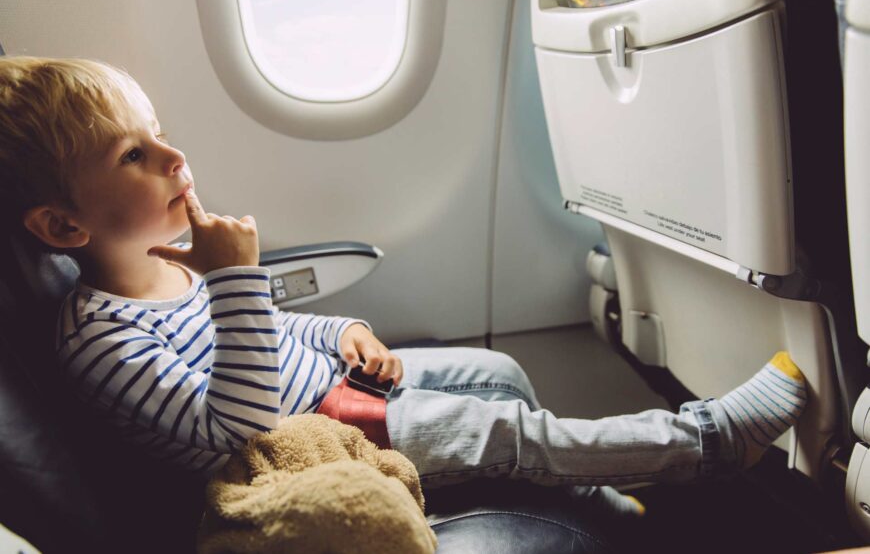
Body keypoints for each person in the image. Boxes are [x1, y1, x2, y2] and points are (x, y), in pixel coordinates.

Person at [0, 57, 807, 512]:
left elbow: (278, 336)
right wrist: (237, 281)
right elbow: (233, 429)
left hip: (333, 392)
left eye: (161, 135)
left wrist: (341, 331)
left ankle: (595, 488)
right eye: (131, 156)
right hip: (303, 448)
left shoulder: (171, 267)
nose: (174, 159)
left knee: (500, 395)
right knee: (511, 435)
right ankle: (706, 441)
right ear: (65, 227)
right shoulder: (98, 337)